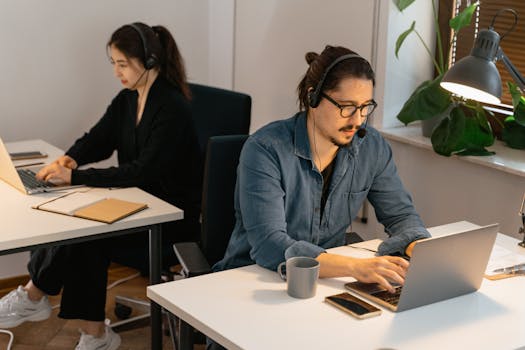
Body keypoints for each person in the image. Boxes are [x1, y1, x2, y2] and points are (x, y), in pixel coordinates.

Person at [0, 22, 202, 350]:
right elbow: (99, 138)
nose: (117, 72)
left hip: (170, 215)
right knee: (76, 225)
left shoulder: (172, 108)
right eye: (114, 64)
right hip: (138, 200)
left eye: (122, 64)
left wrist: (77, 178)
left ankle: (38, 298)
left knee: (88, 236)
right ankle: (92, 333)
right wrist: (69, 160)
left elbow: (142, 172)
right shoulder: (127, 99)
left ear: (149, 62)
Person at [214, 45, 431, 293]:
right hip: (252, 281)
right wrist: (355, 267)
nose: (358, 120)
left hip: (325, 283)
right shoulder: (266, 150)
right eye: (347, 107)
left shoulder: (371, 146)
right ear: (312, 98)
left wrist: (421, 249)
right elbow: (269, 244)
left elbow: (401, 216)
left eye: (365, 107)